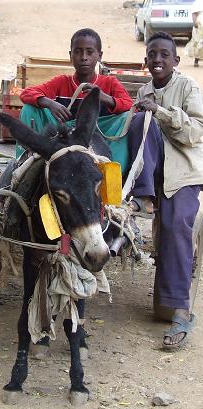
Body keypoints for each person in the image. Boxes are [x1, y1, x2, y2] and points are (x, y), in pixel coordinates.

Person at [128, 31, 203, 349]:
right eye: (152, 55)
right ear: (145, 61)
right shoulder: (144, 90)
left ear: (175, 60)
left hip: (182, 172)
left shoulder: (187, 87)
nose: (157, 59)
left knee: (174, 226)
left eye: (164, 55)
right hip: (154, 174)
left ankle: (181, 311)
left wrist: (159, 112)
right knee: (137, 120)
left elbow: (197, 131)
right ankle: (143, 195)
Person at [19, 28, 133, 173]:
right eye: (78, 52)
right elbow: (27, 93)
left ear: (99, 55)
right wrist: (49, 103)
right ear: (70, 55)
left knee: (125, 118)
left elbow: (129, 105)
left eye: (90, 52)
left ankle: (112, 170)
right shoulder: (61, 82)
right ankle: (26, 165)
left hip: (97, 134)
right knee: (29, 109)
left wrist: (104, 97)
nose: (83, 57)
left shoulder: (109, 83)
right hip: (63, 134)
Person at [184, 0, 203, 67]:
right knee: (198, 43)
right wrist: (195, 23)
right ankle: (196, 60)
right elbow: (194, 13)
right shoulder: (198, 2)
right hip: (199, 26)